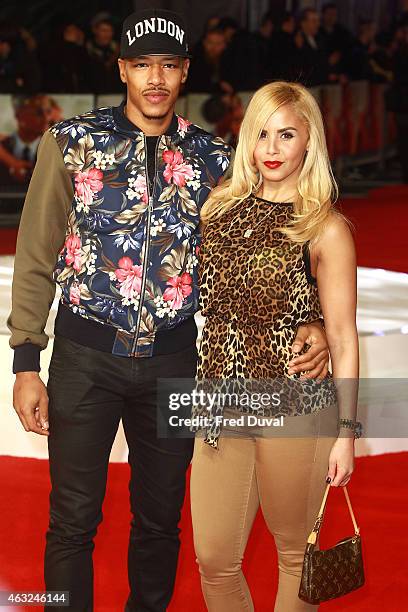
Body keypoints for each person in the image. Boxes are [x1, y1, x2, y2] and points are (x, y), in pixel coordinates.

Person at [8, 8, 331, 612]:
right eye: (143, 66)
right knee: (72, 522)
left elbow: (267, 241)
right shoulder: (71, 143)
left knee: (159, 521)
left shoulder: (216, 160)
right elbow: (36, 253)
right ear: (123, 69)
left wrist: (310, 311)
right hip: (84, 359)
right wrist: (28, 359)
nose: (156, 79)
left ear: (184, 74)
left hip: (176, 364)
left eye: (169, 66)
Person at [190, 81, 360, 611]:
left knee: (294, 556)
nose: (271, 148)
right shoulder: (218, 209)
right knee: (214, 558)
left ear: (309, 141)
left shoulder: (324, 227)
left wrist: (348, 433)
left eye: (286, 134)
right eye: (261, 133)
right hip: (221, 401)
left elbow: (342, 334)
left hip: (295, 404)